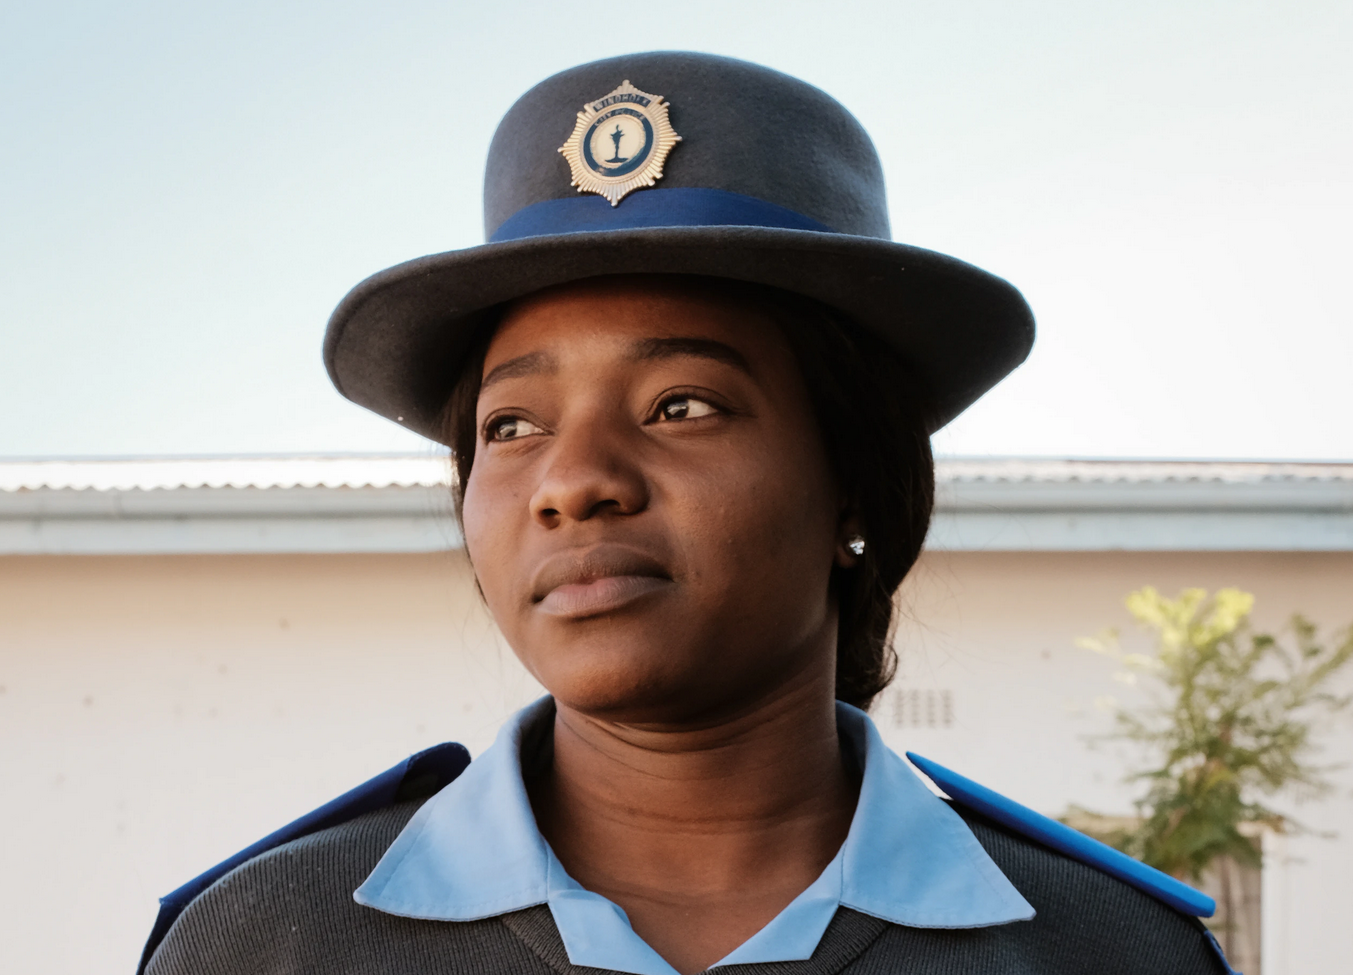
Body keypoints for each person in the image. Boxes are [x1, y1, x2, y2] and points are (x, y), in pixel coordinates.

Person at [139, 52, 1237, 975]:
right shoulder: (266, 940)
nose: (574, 482)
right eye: (512, 427)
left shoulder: (1105, 949)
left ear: (855, 476)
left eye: (682, 404)